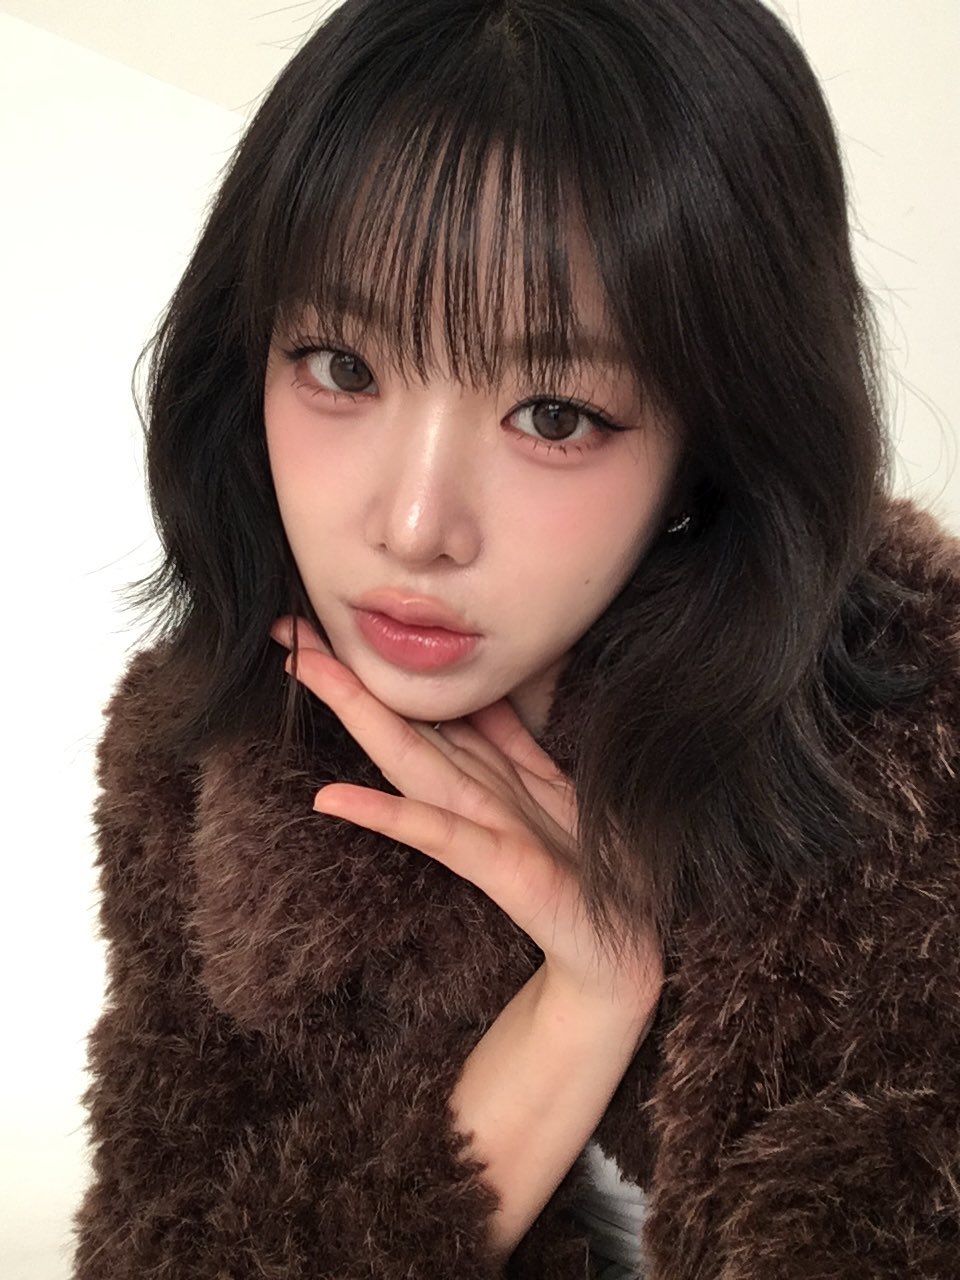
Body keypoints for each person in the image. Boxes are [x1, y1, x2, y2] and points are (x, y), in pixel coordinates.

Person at [70, 1, 959, 1277]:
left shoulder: (919, 754)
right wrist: (585, 1000)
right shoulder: (204, 746)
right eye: (341, 364)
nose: (413, 526)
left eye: (554, 412)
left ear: (714, 438)